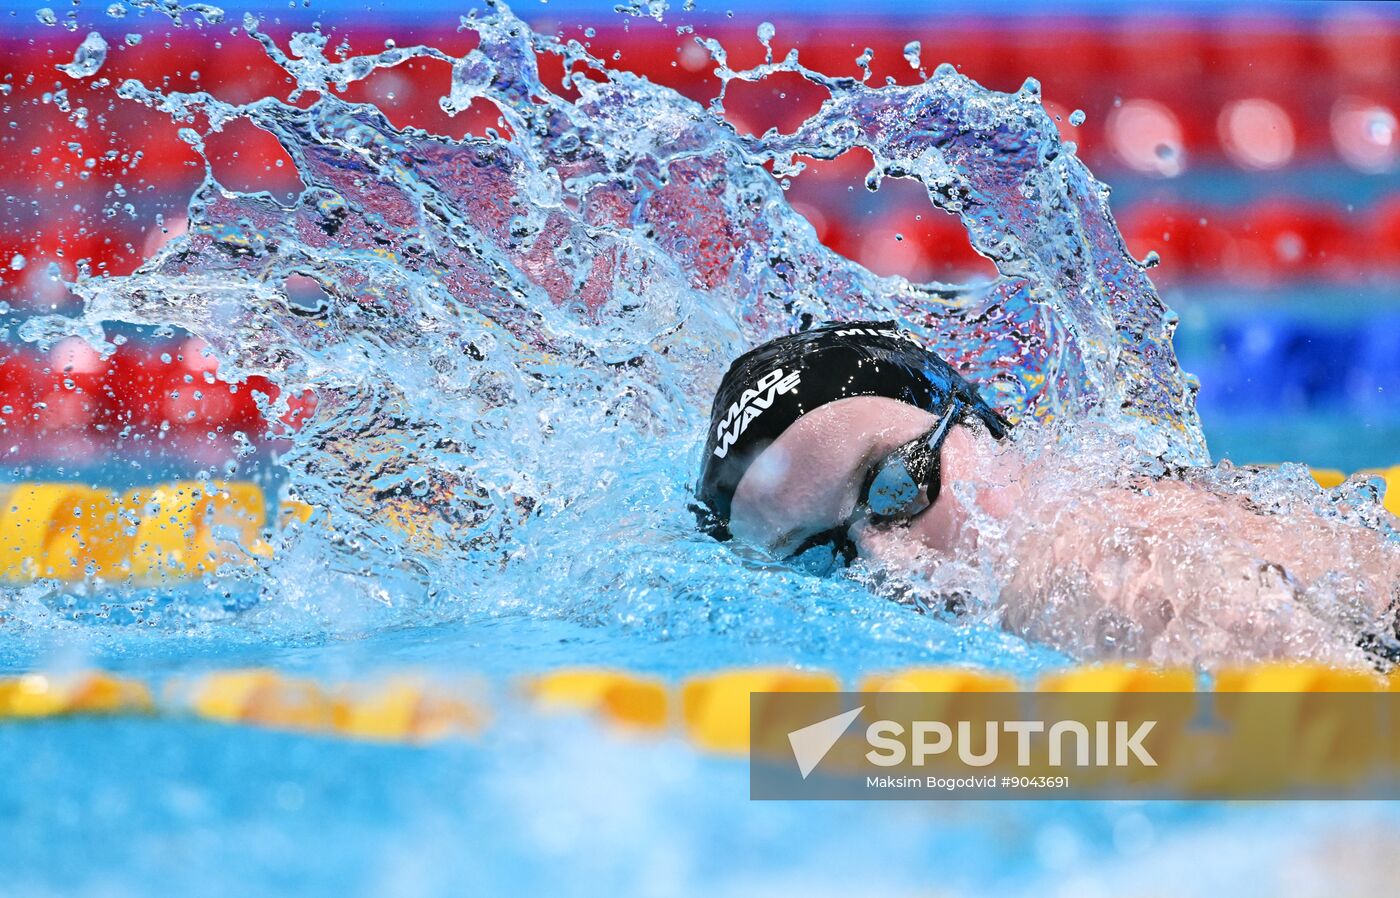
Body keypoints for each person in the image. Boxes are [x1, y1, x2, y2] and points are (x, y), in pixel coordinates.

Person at [695, 321, 1400, 669]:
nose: (889, 569)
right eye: (822, 557)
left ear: (978, 423)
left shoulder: (1084, 563)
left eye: (895, 486)